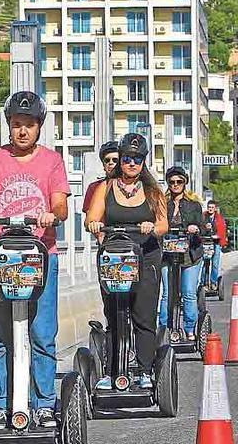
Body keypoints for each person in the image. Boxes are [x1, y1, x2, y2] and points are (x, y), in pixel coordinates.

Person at [0, 91, 70, 429]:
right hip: (0, 256)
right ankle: (2, 405)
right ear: (9, 126)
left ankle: (45, 403)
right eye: (16, 125)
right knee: (1, 336)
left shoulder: (51, 161)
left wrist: (51, 215)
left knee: (42, 333)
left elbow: (61, 205)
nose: (22, 131)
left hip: (40, 256)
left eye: (28, 125)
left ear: (39, 126)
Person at [86, 133, 168, 389]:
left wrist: (151, 227)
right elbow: (91, 218)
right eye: (128, 158)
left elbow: (163, 224)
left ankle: (144, 370)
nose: (132, 163)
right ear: (121, 159)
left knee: (143, 315)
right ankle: (112, 373)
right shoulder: (105, 188)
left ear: (144, 162)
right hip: (114, 256)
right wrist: (96, 224)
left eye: (138, 159)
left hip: (146, 257)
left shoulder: (153, 191)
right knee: (115, 313)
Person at [158, 166, 204, 342]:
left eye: (179, 181)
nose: (175, 185)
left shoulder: (194, 205)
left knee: (188, 292)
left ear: (185, 183)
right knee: (167, 294)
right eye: (172, 182)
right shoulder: (162, 204)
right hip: (168, 255)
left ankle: (189, 329)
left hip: (190, 255)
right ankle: (164, 330)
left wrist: (195, 228)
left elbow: (201, 226)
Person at [81, 141, 119, 215]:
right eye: (107, 160)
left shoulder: (133, 186)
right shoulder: (94, 187)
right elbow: (89, 215)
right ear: (103, 165)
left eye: (115, 160)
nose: (110, 163)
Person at [202, 200, 228, 292]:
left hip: (216, 243)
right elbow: (199, 228)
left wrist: (220, 238)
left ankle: (213, 282)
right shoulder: (203, 217)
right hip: (205, 242)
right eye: (209, 207)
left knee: (215, 264)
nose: (210, 209)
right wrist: (205, 227)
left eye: (212, 208)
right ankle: (204, 283)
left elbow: (222, 231)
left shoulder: (219, 218)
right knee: (205, 264)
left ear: (215, 208)